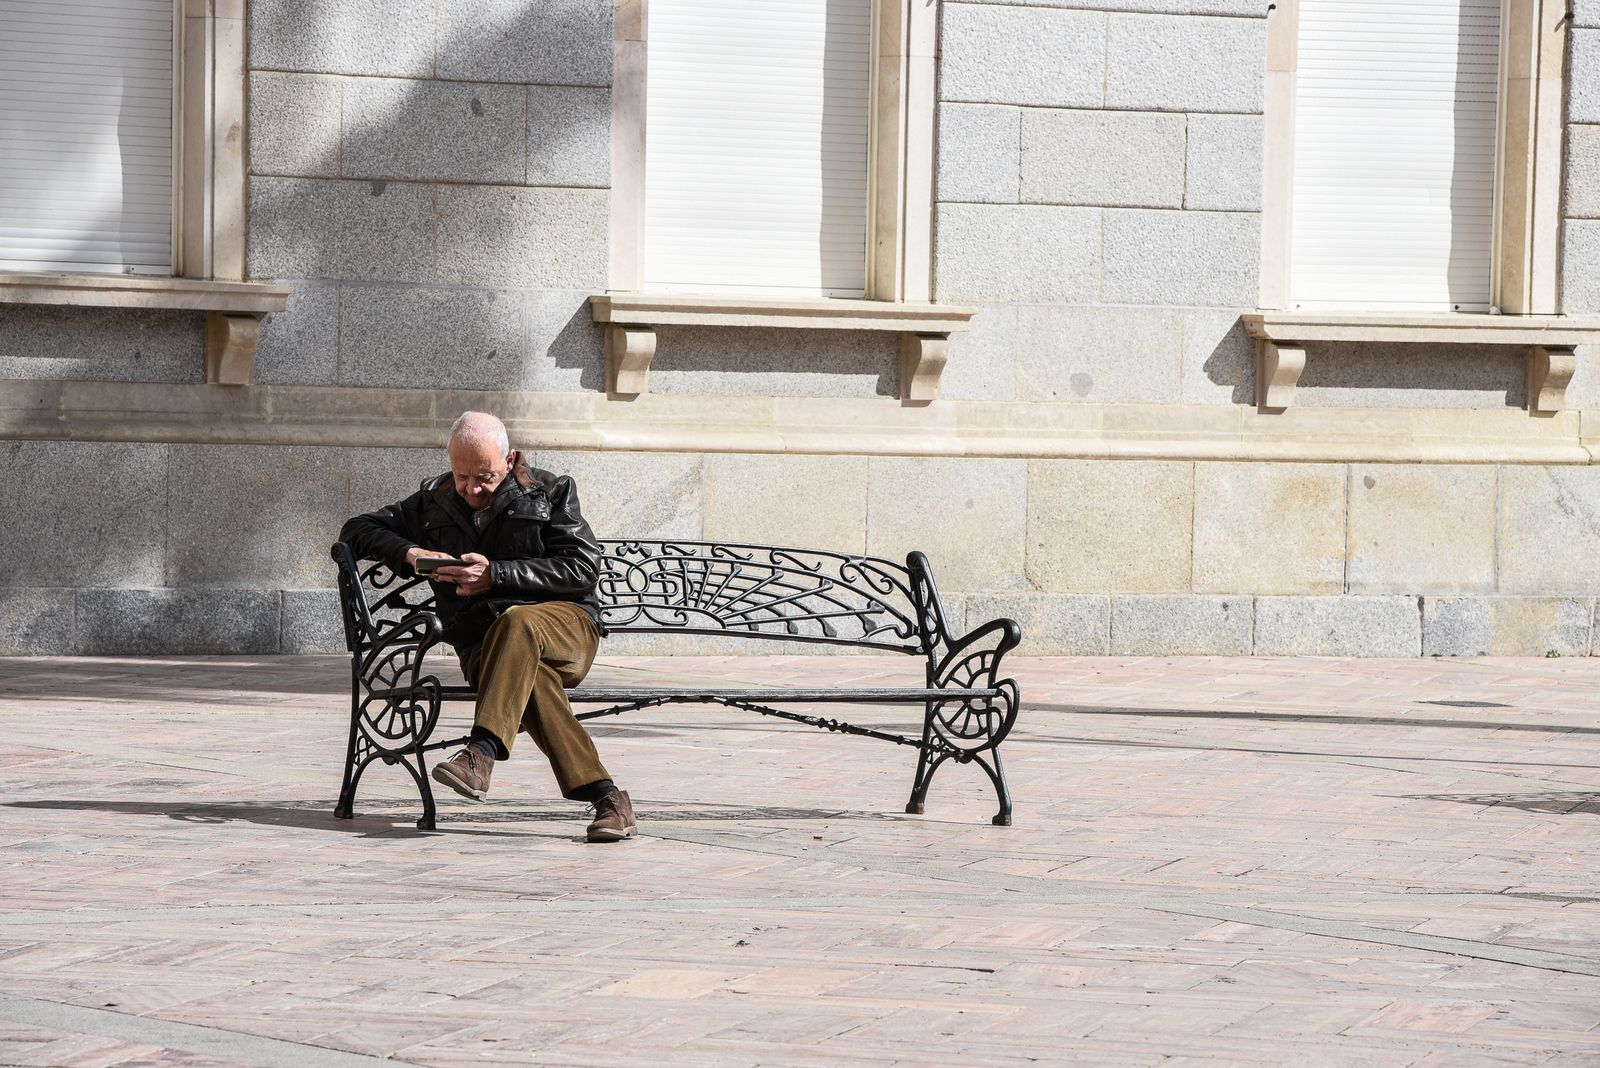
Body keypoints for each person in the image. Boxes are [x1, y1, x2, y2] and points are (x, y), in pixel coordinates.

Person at [339, 410, 634, 842]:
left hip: (566, 628)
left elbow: (583, 566)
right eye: (462, 477)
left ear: (510, 459)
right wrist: (413, 554)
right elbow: (355, 530)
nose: (472, 489)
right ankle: (609, 799)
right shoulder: (433, 500)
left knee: (519, 621)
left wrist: (497, 575)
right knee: (530, 675)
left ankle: (481, 752)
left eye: (485, 477)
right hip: (484, 645)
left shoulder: (550, 491)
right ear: (450, 463)